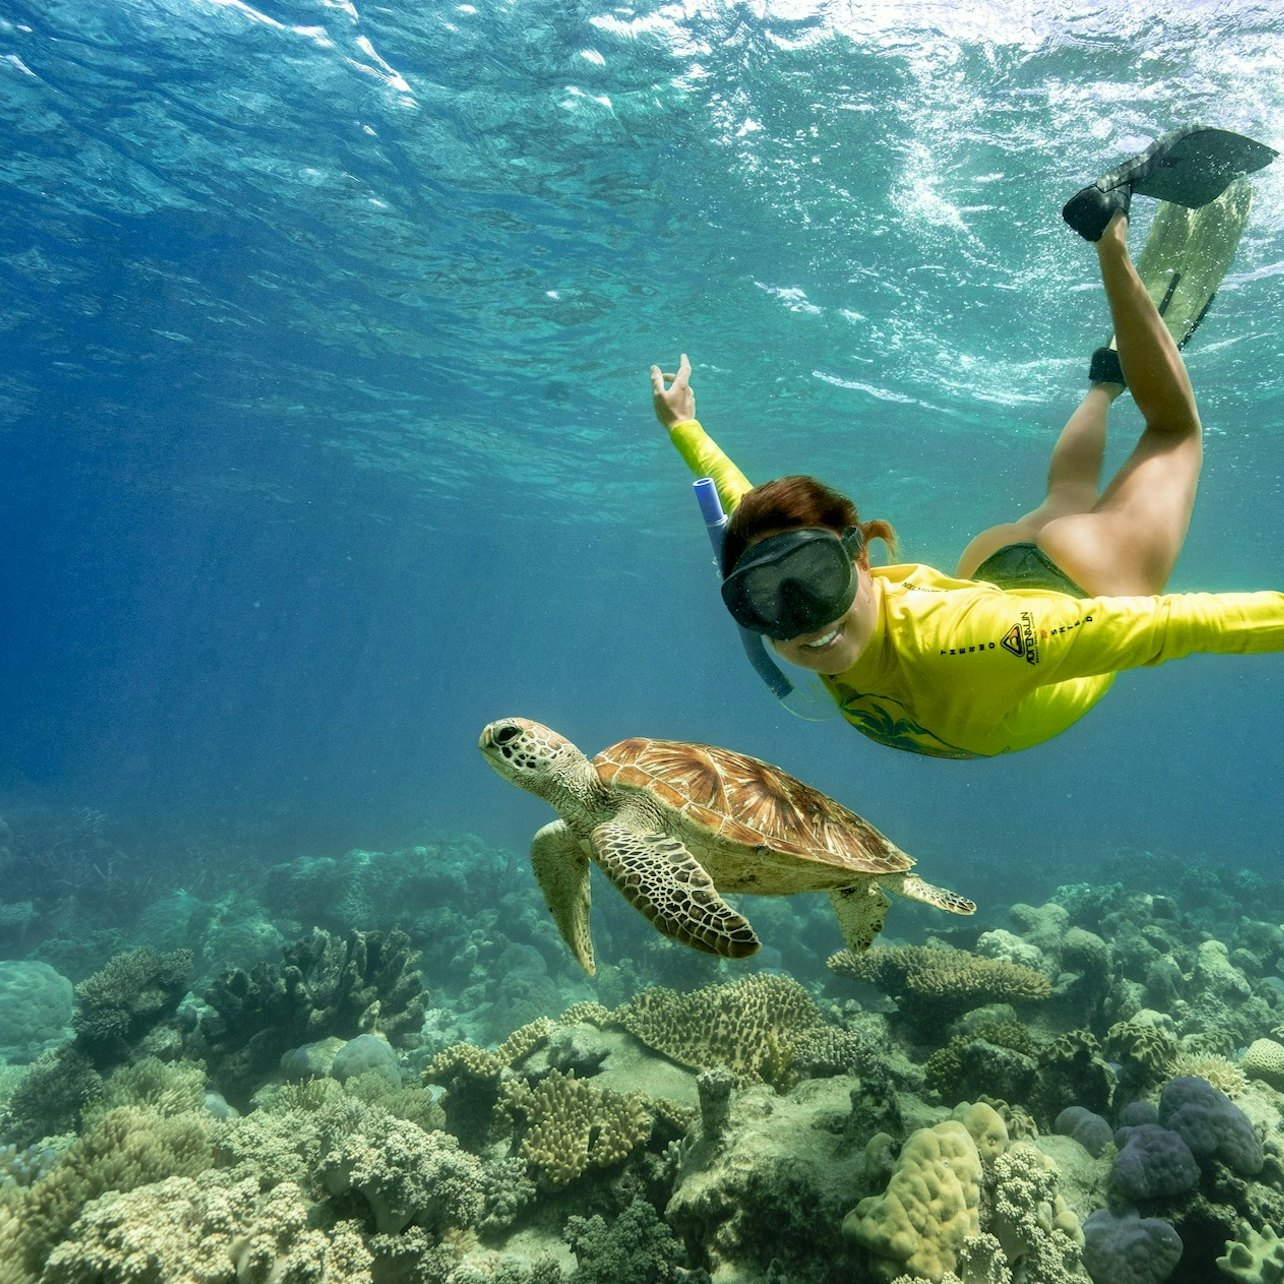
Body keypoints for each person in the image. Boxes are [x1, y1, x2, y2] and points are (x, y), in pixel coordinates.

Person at [649, 138, 1284, 760]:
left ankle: (1110, 237)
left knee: (1172, 432)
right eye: (762, 596)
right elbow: (741, 507)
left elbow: (1179, 625)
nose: (801, 619)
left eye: (815, 578)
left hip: (1068, 586)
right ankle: (1105, 381)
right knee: (1067, 497)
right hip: (997, 574)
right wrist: (684, 428)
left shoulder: (982, 644)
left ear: (860, 558)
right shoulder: (822, 606)